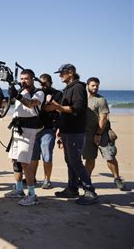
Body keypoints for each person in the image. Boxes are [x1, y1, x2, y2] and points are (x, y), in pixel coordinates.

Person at [45, 64, 98, 205]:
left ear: (71, 73)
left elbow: (78, 109)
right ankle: (72, 188)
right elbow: (64, 111)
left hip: (75, 131)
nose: (60, 75)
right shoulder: (68, 88)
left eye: (62, 73)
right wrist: (60, 128)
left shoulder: (78, 87)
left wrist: (57, 107)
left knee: (75, 161)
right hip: (67, 131)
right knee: (70, 161)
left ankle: (90, 191)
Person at [4, 69, 44, 206]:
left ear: (33, 79)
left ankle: (32, 194)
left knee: (25, 162)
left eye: (26, 78)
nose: (23, 81)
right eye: (21, 78)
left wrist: (18, 96)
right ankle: (19, 189)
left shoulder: (39, 92)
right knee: (15, 160)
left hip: (29, 130)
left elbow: (32, 104)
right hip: (17, 129)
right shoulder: (20, 91)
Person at [83, 77, 125, 190]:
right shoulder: (83, 99)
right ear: (87, 86)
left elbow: (103, 119)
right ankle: (87, 180)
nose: (95, 87)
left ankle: (117, 179)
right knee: (90, 158)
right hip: (88, 133)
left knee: (110, 157)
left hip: (103, 132)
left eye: (97, 85)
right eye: (93, 85)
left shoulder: (100, 100)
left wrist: (98, 134)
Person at [30, 74, 63, 189]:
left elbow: (61, 110)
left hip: (49, 128)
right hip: (35, 128)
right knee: (33, 156)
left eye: (44, 83)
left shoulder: (58, 94)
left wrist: (52, 102)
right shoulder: (38, 93)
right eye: (40, 83)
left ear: (50, 82)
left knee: (47, 155)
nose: (42, 86)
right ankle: (32, 178)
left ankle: (47, 180)